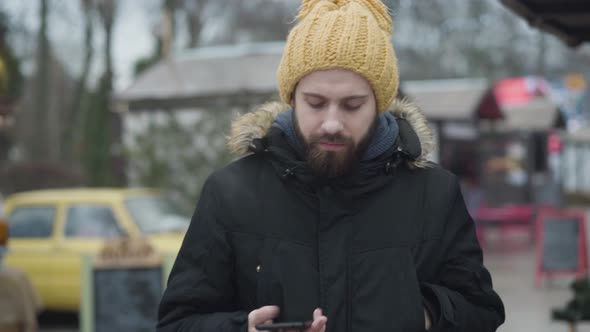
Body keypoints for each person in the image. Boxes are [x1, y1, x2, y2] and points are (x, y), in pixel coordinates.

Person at [157, 0, 505, 331]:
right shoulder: (231, 192)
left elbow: (482, 312)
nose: (332, 123)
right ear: (292, 98)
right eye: (316, 103)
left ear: (378, 104)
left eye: (352, 105)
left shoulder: (434, 193)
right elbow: (177, 322)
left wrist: (424, 313)